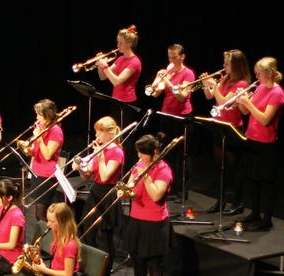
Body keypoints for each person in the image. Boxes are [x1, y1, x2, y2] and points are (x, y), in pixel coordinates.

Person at [118, 134, 172, 276]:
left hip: (155, 223)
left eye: (142, 154)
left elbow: (156, 195)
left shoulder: (164, 171)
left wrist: (147, 175)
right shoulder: (139, 166)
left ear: (154, 152)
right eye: (138, 154)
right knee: (138, 260)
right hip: (136, 219)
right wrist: (125, 192)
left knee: (154, 265)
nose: (139, 157)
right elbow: (132, 189)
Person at [235, 56, 284, 231]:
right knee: (252, 179)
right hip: (252, 139)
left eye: (259, 74)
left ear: (269, 73)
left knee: (266, 182)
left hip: (267, 144)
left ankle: (266, 219)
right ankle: (255, 213)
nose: (256, 78)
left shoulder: (277, 93)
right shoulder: (261, 87)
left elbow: (265, 119)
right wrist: (240, 101)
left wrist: (248, 102)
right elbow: (246, 112)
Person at [73, 116, 124, 276]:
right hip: (95, 192)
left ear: (110, 134)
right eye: (96, 132)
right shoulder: (101, 149)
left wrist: (101, 155)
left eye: (99, 132)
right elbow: (87, 176)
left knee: (104, 237)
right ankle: (90, 270)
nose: (96, 136)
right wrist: (80, 168)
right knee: (87, 230)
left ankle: (105, 274)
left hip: (108, 194)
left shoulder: (116, 151)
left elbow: (105, 175)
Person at [201, 50, 252, 214]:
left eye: (227, 63)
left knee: (233, 169)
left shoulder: (242, 84)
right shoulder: (226, 79)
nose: (223, 66)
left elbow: (223, 101)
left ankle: (237, 203)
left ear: (236, 65)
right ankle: (220, 201)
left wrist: (214, 85)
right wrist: (205, 84)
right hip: (219, 126)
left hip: (233, 129)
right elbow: (210, 96)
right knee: (219, 167)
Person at [150, 43, 196, 198]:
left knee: (182, 154)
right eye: (169, 57)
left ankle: (182, 191)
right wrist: (156, 82)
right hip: (166, 115)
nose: (171, 60)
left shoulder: (188, 74)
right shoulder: (167, 70)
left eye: (174, 57)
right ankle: (167, 186)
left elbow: (181, 96)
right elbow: (155, 94)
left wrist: (167, 80)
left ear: (182, 57)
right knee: (166, 153)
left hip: (182, 117)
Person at [17, 99, 63, 221]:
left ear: (48, 115)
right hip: (37, 172)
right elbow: (37, 150)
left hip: (47, 175)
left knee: (41, 214)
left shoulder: (56, 131)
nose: (37, 117)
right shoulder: (41, 126)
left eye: (39, 114)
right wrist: (29, 150)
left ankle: (47, 239)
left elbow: (48, 155)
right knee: (38, 214)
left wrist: (40, 138)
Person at [96, 25, 142, 127]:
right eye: (117, 42)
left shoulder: (135, 62)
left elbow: (116, 81)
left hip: (127, 103)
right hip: (116, 101)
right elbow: (102, 77)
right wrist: (100, 65)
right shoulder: (120, 59)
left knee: (125, 135)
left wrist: (105, 66)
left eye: (121, 43)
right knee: (115, 132)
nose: (118, 45)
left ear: (129, 44)